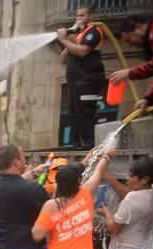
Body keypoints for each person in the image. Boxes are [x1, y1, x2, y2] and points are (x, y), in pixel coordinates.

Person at [57, 5, 106, 149]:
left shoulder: (95, 32)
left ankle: (89, 147)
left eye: (82, 15)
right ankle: (76, 145)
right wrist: (68, 43)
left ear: (91, 17)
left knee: (85, 114)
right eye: (77, 16)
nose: (79, 18)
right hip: (75, 82)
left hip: (88, 81)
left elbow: (83, 52)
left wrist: (64, 41)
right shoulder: (78, 35)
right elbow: (62, 59)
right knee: (74, 114)